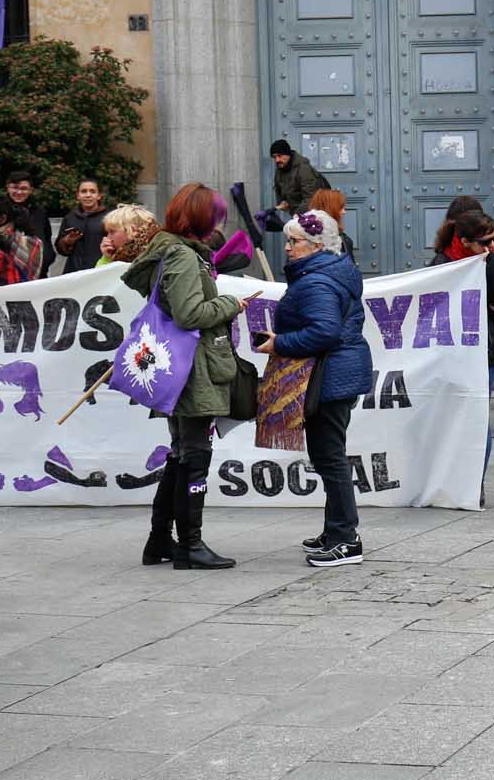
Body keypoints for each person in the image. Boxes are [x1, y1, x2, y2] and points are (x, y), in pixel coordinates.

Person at [121, 183, 248, 570]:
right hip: (193, 371)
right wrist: (230, 304)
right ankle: (189, 545)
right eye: (215, 217)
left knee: (181, 455)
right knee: (194, 456)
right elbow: (190, 315)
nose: (218, 225)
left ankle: (160, 541)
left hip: (183, 368)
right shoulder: (182, 257)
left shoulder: (173, 252)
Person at [258, 209, 373, 568]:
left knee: (331, 458)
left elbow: (324, 331)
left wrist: (280, 343)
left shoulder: (317, 281)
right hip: (334, 374)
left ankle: (345, 538)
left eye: (294, 242)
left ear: (316, 245)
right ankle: (334, 530)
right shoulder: (325, 273)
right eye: (288, 240)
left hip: (330, 377)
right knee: (327, 455)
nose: (287, 248)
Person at [438, 209, 494, 448]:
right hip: (450, 350)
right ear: (464, 241)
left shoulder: (491, 260)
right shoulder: (443, 261)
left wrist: (492, 266)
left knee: (475, 418)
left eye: (493, 239)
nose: (491, 245)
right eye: (485, 242)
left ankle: (476, 482)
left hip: (482, 349)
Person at [53, 179, 110, 275]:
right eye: (84, 191)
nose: (88, 195)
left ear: (99, 196)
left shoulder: (109, 217)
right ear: (78, 195)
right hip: (74, 271)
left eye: (92, 191)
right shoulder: (70, 217)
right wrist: (67, 241)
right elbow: (60, 249)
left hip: (100, 271)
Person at [2, 172, 51, 273]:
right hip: (6, 270)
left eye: (24, 188)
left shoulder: (39, 212)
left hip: (38, 271)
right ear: (8, 188)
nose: (19, 192)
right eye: (15, 187)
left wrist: (47, 258)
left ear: (31, 190)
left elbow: (46, 238)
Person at [308, 188, 355, 266]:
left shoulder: (338, 234)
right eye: (340, 208)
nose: (344, 212)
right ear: (331, 209)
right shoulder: (310, 238)